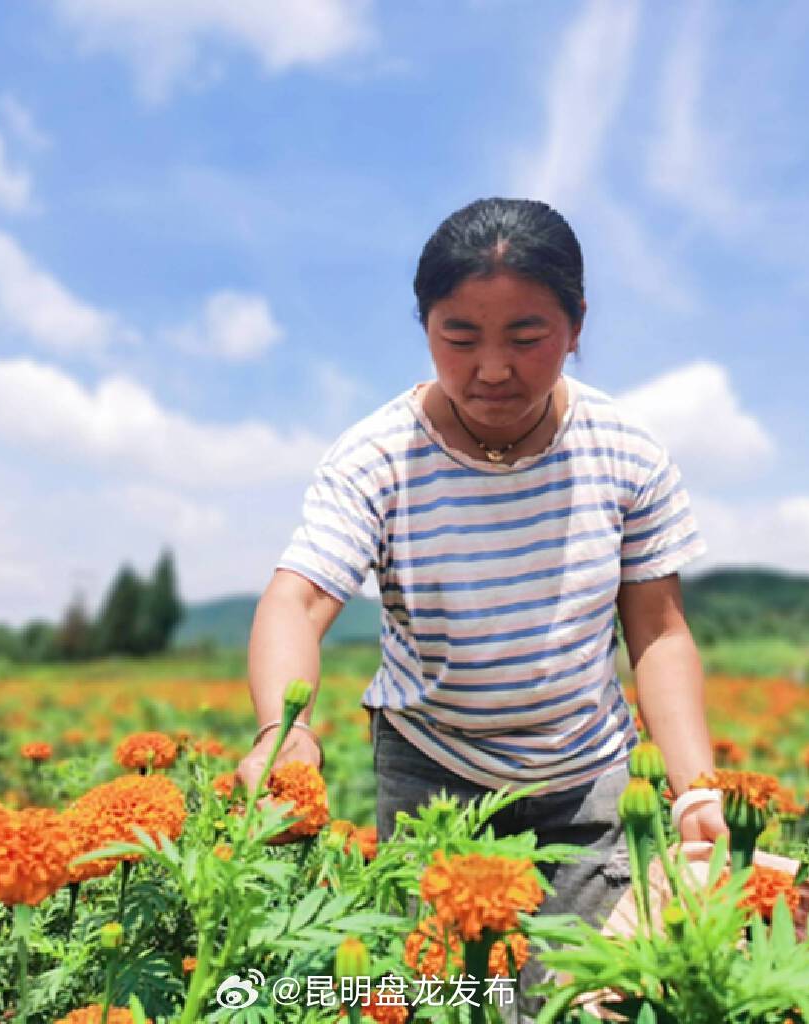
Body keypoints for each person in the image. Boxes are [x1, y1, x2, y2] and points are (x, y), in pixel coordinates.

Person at [236, 197, 728, 1018]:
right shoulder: (377, 456)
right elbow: (301, 597)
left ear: (576, 327)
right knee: (458, 999)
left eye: (527, 337)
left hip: (588, 780)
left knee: (578, 1000)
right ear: (425, 327)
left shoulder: (627, 452)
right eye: (459, 337)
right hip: (434, 775)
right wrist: (285, 739)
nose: (492, 367)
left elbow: (658, 632)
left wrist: (695, 790)